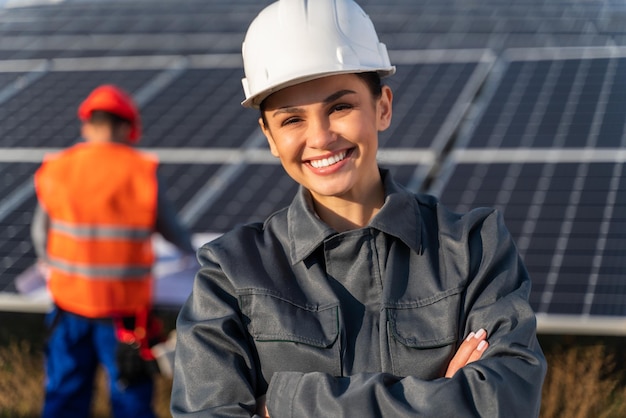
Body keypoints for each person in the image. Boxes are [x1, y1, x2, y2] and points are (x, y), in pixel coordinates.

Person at [171, 0, 547, 416]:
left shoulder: (473, 249)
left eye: (340, 107)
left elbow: (506, 401)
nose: (320, 137)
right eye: (292, 120)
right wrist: (442, 397)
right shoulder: (230, 273)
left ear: (382, 106)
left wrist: (285, 404)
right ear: (270, 136)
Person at [32, 84, 196, 418]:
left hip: (68, 308)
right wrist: (196, 255)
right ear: (125, 127)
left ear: (87, 125)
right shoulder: (139, 169)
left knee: (64, 392)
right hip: (123, 313)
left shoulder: (56, 167)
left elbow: (39, 233)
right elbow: (172, 230)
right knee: (129, 393)